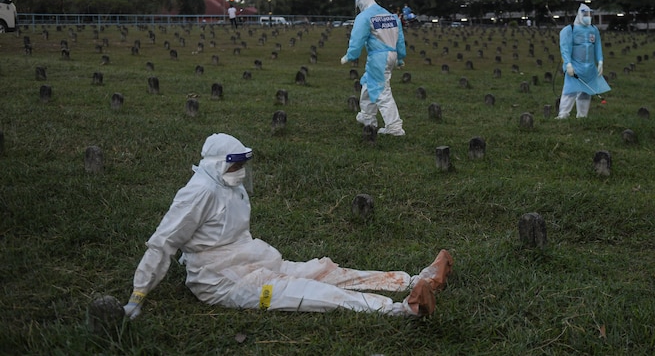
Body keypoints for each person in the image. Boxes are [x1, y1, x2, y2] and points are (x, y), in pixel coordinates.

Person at [123, 133, 452, 319]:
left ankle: (415, 280)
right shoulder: (197, 193)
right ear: (216, 164)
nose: (241, 169)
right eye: (235, 164)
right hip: (218, 281)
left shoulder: (230, 186)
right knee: (310, 292)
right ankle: (402, 311)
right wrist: (138, 295)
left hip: (253, 259)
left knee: (322, 271)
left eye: (243, 164)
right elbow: (162, 243)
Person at [341, 0, 407, 136]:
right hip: (392, 54)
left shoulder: (365, 16)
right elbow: (400, 39)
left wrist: (350, 55)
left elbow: (357, 38)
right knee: (368, 83)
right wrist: (400, 58)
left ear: (361, 2)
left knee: (382, 90)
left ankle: (394, 127)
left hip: (379, 57)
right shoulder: (391, 16)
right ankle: (367, 116)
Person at [556, 3, 611, 119]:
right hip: (575, 66)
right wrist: (568, 64)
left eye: (590, 14)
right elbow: (565, 48)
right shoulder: (570, 30)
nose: (588, 17)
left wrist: (600, 61)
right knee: (570, 90)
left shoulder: (594, 30)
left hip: (589, 68)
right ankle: (563, 114)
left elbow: (597, 46)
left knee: (586, 92)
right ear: (580, 15)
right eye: (585, 14)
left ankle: (582, 115)